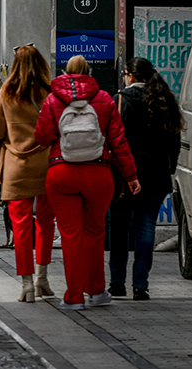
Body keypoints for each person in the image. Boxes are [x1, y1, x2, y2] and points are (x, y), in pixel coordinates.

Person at [34, 55, 140, 310]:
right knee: (95, 231)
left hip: (61, 173)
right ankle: (96, 291)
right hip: (98, 174)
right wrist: (131, 176)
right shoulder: (103, 98)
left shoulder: (52, 99)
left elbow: (43, 136)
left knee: (70, 234)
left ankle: (73, 297)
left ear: (65, 72)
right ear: (89, 72)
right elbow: (118, 141)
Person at [0, 45, 55, 303]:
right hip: (47, 165)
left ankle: (27, 285)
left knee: (20, 225)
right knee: (46, 223)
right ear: (41, 64)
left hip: (17, 167)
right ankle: (43, 278)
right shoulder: (48, 93)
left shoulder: (6, 93)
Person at [110, 57, 182, 300]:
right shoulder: (164, 100)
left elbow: (114, 137)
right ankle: (141, 285)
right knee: (146, 227)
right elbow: (174, 142)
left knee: (119, 228)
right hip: (156, 175)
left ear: (130, 75)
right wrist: (169, 168)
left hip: (124, 175)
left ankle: (117, 283)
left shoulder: (121, 100)